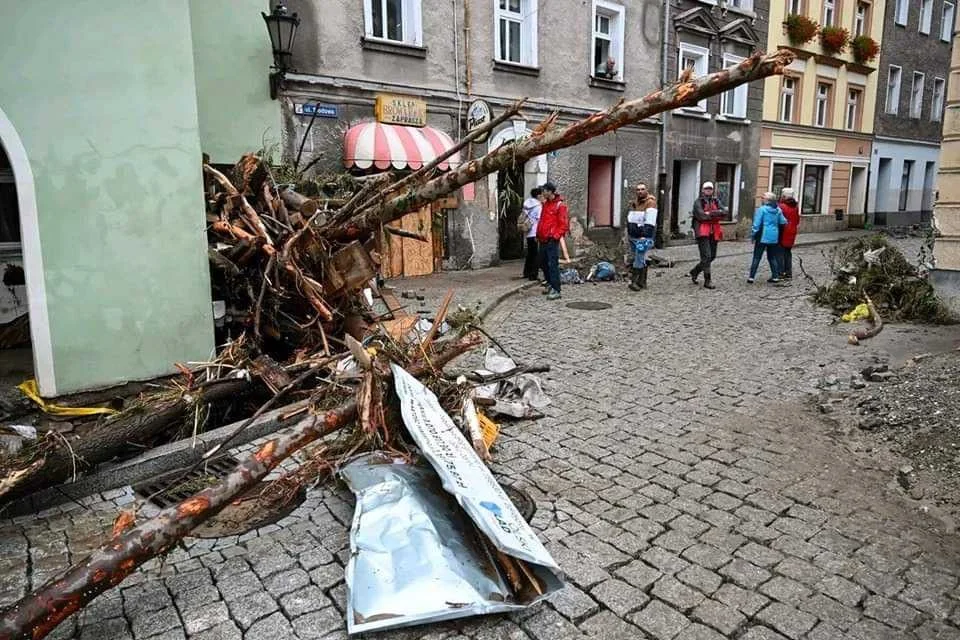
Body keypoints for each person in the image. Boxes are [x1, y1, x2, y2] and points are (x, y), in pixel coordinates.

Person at [688, 182, 727, 289]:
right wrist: (715, 214)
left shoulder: (716, 200)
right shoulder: (698, 202)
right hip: (702, 231)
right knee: (706, 256)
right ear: (702, 190)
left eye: (710, 189)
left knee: (712, 256)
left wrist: (710, 213)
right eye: (706, 189)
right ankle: (707, 280)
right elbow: (701, 216)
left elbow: (724, 212)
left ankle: (694, 271)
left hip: (714, 231)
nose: (708, 190)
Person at [537, 182, 569, 300]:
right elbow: (542, 220)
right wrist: (538, 234)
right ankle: (550, 283)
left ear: (550, 191)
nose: (542, 193)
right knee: (542, 262)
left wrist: (555, 236)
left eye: (544, 191)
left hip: (551, 239)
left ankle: (556, 289)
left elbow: (563, 224)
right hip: (543, 238)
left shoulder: (560, 206)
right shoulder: (546, 204)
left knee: (552, 264)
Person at [748, 192, 788, 283]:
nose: (761, 199)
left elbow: (756, 224)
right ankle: (775, 276)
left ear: (767, 200)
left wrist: (753, 235)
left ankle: (751, 277)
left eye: (763, 198)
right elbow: (784, 221)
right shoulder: (778, 210)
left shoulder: (762, 210)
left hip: (762, 235)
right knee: (772, 257)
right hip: (774, 236)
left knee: (757, 257)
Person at [626, 183, 657, 291]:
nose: (640, 191)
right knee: (640, 257)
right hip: (634, 235)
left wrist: (645, 236)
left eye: (642, 189)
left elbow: (650, 221)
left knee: (639, 258)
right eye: (638, 189)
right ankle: (642, 282)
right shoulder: (635, 203)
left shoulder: (650, 202)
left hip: (642, 236)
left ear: (646, 190)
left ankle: (634, 282)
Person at [521, 187, 544, 281]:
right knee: (536, 255)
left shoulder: (527, 204)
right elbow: (540, 220)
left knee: (530, 253)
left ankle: (526, 272)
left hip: (528, 232)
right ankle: (533, 275)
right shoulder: (538, 206)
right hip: (535, 232)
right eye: (542, 195)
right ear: (538, 196)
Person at [778, 187, 800, 279]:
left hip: (783, 231)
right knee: (788, 252)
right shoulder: (795, 207)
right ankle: (788, 272)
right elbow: (797, 220)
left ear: (784, 196)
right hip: (792, 231)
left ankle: (781, 272)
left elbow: (778, 219)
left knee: (780, 252)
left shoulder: (781, 206)